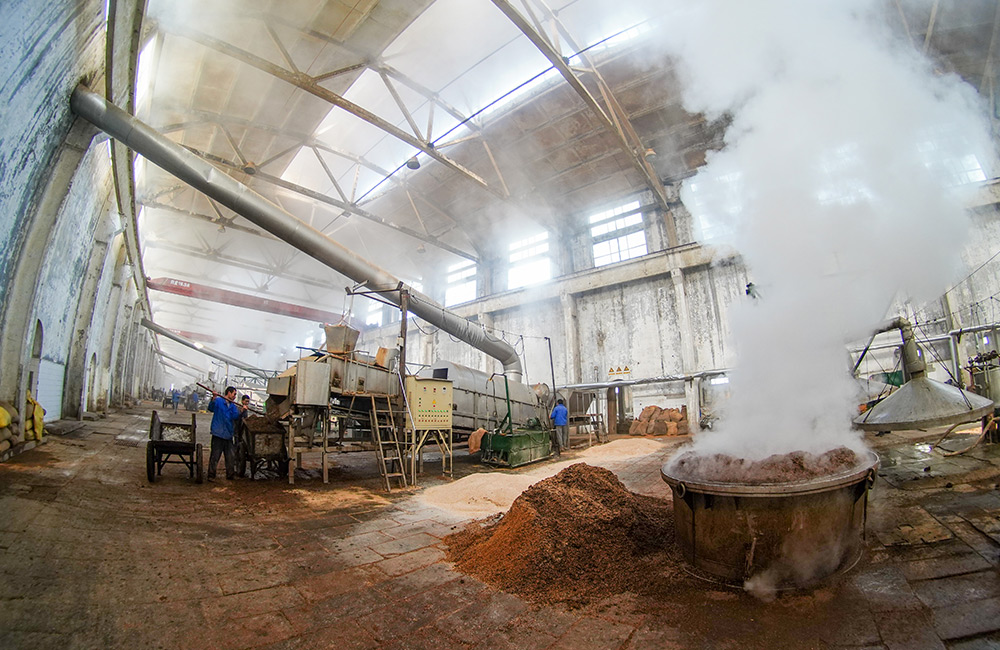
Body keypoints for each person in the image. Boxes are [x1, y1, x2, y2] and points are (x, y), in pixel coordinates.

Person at [206, 386, 246, 481]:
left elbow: (235, 416)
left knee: (230, 457)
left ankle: (230, 475)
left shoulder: (232, 406)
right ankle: (211, 475)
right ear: (228, 393)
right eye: (234, 394)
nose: (235, 396)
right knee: (215, 456)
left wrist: (242, 411)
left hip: (228, 434)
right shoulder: (219, 401)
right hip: (218, 433)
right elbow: (210, 408)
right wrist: (213, 398)